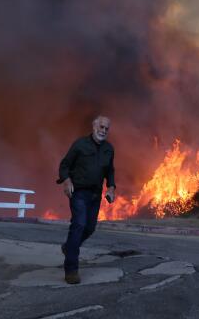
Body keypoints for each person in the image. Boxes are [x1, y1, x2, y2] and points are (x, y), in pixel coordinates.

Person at [57, 115, 116, 284]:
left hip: (95, 195)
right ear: (94, 126)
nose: (103, 130)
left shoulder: (109, 149)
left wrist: (111, 187)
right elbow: (64, 165)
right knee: (79, 224)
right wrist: (66, 181)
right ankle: (71, 270)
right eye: (101, 127)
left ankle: (69, 248)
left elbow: (110, 171)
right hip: (79, 192)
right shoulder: (80, 145)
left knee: (90, 228)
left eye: (106, 128)